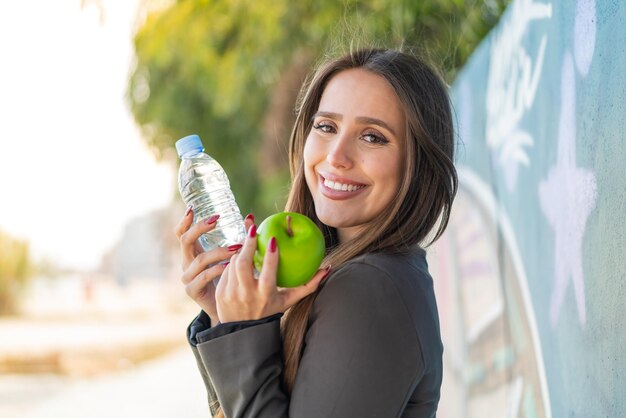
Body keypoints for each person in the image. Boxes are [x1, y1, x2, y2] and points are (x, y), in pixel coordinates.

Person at [175, 47, 457, 418]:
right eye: (326, 127)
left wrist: (242, 333)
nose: (336, 156)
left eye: (373, 137)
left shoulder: (370, 287)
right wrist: (224, 318)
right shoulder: (363, 275)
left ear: (418, 162)